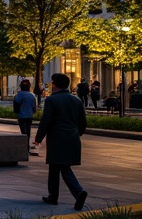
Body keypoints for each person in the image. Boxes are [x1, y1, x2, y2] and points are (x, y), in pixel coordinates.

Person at [34, 72, 88, 211]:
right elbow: (82, 122)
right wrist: (77, 134)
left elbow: (46, 121)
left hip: (57, 139)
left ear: (55, 84)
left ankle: (78, 192)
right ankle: (53, 196)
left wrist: (38, 138)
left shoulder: (52, 100)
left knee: (62, 166)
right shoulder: (76, 100)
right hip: (73, 138)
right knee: (54, 166)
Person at [13, 79, 38, 156]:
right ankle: (27, 147)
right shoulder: (32, 95)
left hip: (21, 116)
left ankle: (25, 147)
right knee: (28, 132)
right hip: (29, 116)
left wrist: (17, 112)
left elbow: (16, 105)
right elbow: (34, 106)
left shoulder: (19, 95)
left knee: (23, 132)